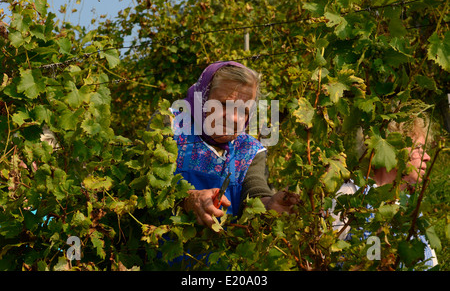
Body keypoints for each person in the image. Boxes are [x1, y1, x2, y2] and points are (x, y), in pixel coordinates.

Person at [153, 61, 299, 228]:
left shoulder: (249, 150)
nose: (234, 118)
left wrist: (268, 205)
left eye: (244, 110)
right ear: (203, 97)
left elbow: (254, 189)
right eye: (224, 104)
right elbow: (147, 184)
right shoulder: (171, 125)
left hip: (218, 252)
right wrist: (188, 199)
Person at [331, 115, 438, 268]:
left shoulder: (413, 212)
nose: (427, 157)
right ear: (390, 148)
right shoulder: (351, 196)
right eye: (419, 148)